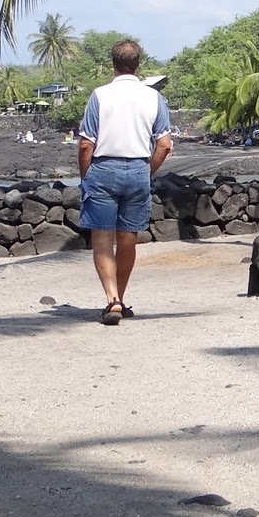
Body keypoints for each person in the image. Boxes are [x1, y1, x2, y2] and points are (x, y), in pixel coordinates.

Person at [77, 39, 172, 326]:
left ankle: (112, 299)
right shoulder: (154, 98)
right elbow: (165, 145)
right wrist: (147, 171)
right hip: (139, 169)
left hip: (104, 167)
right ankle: (120, 298)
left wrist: (86, 176)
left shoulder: (100, 95)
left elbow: (85, 145)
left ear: (113, 64)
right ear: (137, 64)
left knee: (102, 240)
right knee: (128, 240)